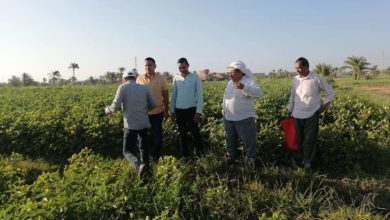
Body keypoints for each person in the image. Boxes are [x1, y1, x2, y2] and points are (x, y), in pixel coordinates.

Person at [105, 71, 156, 176]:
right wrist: (146, 110)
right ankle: (146, 171)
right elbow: (154, 103)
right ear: (135, 78)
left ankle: (138, 165)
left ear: (124, 79)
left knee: (127, 151)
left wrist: (107, 110)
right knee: (143, 148)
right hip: (144, 123)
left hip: (130, 125)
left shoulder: (123, 87)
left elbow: (115, 106)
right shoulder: (144, 88)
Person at [288, 57, 335, 172]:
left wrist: (324, 105)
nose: (297, 70)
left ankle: (307, 163)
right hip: (297, 114)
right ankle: (301, 160)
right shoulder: (295, 80)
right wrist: (290, 109)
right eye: (296, 68)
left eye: (299, 68)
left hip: (311, 114)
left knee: (309, 140)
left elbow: (330, 92)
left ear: (306, 67)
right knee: (298, 140)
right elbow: (293, 95)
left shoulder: (316, 78)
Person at [222, 61, 263, 167]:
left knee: (248, 143)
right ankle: (232, 160)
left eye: (232, 72)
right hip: (229, 118)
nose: (230, 74)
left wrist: (244, 87)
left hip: (244, 119)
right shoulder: (230, 83)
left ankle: (251, 162)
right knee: (230, 141)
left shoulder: (248, 81)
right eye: (229, 72)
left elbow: (259, 93)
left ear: (240, 72)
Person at [136, 57, 169, 162]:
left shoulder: (161, 78)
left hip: (158, 113)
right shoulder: (139, 79)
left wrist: (166, 111)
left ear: (155, 66)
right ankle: (145, 157)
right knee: (143, 137)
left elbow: (166, 95)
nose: (147, 67)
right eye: (146, 65)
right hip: (143, 114)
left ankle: (155, 156)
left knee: (157, 136)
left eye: (150, 65)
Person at [170, 57, 204, 161]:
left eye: (183, 67)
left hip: (191, 110)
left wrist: (198, 112)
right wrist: (172, 110)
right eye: (180, 68)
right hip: (179, 110)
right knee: (182, 133)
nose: (182, 69)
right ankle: (185, 155)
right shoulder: (176, 78)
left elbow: (200, 95)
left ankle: (200, 155)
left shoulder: (195, 77)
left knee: (195, 133)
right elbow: (174, 95)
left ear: (188, 65)